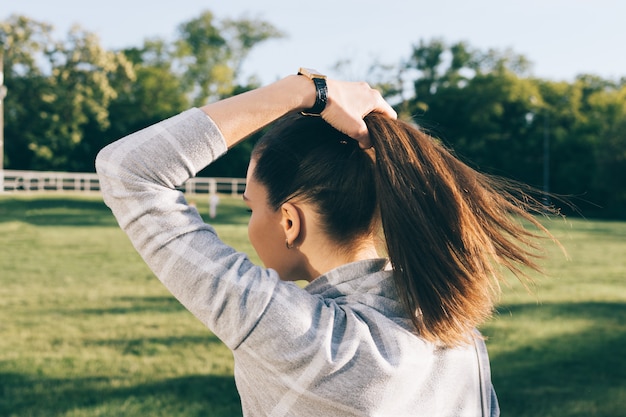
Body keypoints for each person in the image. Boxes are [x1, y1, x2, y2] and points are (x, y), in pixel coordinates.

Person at [96, 69, 554, 416]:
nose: (251, 222)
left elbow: (128, 171)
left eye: (251, 207)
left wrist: (305, 89)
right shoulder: (459, 335)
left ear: (289, 222)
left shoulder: (305, 338)